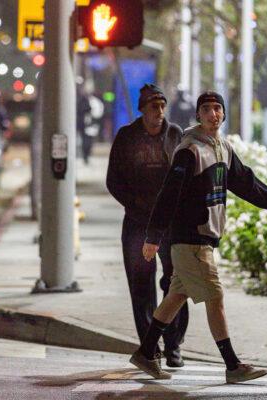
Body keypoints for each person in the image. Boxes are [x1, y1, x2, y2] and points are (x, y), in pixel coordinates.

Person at [129, 91, 267, 383]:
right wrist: (153, 236)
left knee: (176, 295)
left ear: (223, 113)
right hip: (190, 239)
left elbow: (245, 182)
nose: (213, 114)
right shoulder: (190, 150)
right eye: (207, 109)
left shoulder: (222, 147)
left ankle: (146, 353)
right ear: (198, 115)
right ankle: (232, 365)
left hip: (204, 238)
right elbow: (169, 194)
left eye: (217, 108)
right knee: (216, 298)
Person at [107, 84, 189, 368]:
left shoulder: (176, 134)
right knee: (141, 285)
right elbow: (113, 180)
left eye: (162, 105)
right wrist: (136, 205)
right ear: (142, 109)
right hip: (138, 223)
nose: (159, 111)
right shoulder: (127, 137)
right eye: (154, 106)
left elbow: (186, 176)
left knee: (175, 283)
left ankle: (173, 345)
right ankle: (149, 346)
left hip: (170, 224)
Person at [77, 87, 94, 164]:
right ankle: (85, 155)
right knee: (86, 140)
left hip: (83, 124)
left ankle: (85, 156)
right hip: (85, 124)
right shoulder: (85, 102)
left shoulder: (79, 101)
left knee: (85, 140)